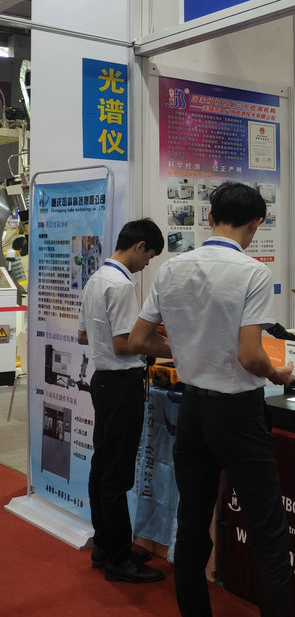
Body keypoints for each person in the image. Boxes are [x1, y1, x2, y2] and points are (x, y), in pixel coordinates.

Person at [128, 182, 295, 617]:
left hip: (193, 410)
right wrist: (280, 373)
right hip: (238, 412)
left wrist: (189, 349)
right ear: (254, 225)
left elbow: (140, 339)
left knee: (192, 529)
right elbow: (252, 356)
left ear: (210, 217)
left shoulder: (171, 269)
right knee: (268, 533)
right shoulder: (253, 272)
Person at [78, 218, 171, 583]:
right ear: (139, 246)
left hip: (103, 382)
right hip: (120, 384)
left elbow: (85, 336)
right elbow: (125, 343)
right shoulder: (120, 284)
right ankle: (118, 558)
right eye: (149, 256)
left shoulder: (96, 279)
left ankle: (105, 545)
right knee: (116, 473)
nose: (147, 264)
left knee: (103, 465)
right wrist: (174, 348)